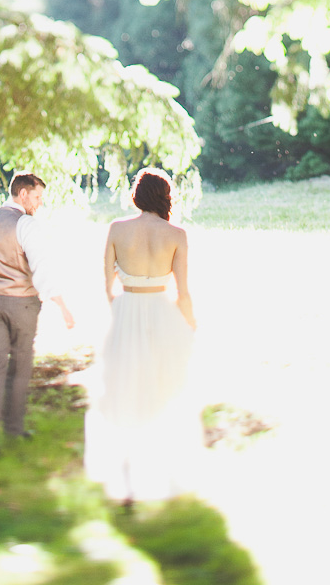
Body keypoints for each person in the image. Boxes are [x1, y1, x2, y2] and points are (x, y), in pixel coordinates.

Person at [84, 167, 201, 503]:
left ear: (137, 196)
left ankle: (125, 479)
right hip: (162, 314)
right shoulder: (176, 234)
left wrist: (120, 312)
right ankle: (162, 471)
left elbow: (106, 286)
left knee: (122, 391)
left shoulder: (117, 229)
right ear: (165, 197)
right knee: (163, 390)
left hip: (126, 311)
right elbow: (183, 292)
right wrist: (190, 325)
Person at [0, 172, 74, 459]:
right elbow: (42, 268)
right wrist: (63, 306)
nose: (40, 203)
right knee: (20, 368)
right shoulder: (26, 224)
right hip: (22, 305)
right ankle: (14, 428)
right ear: (23, 194)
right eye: (38, 197)